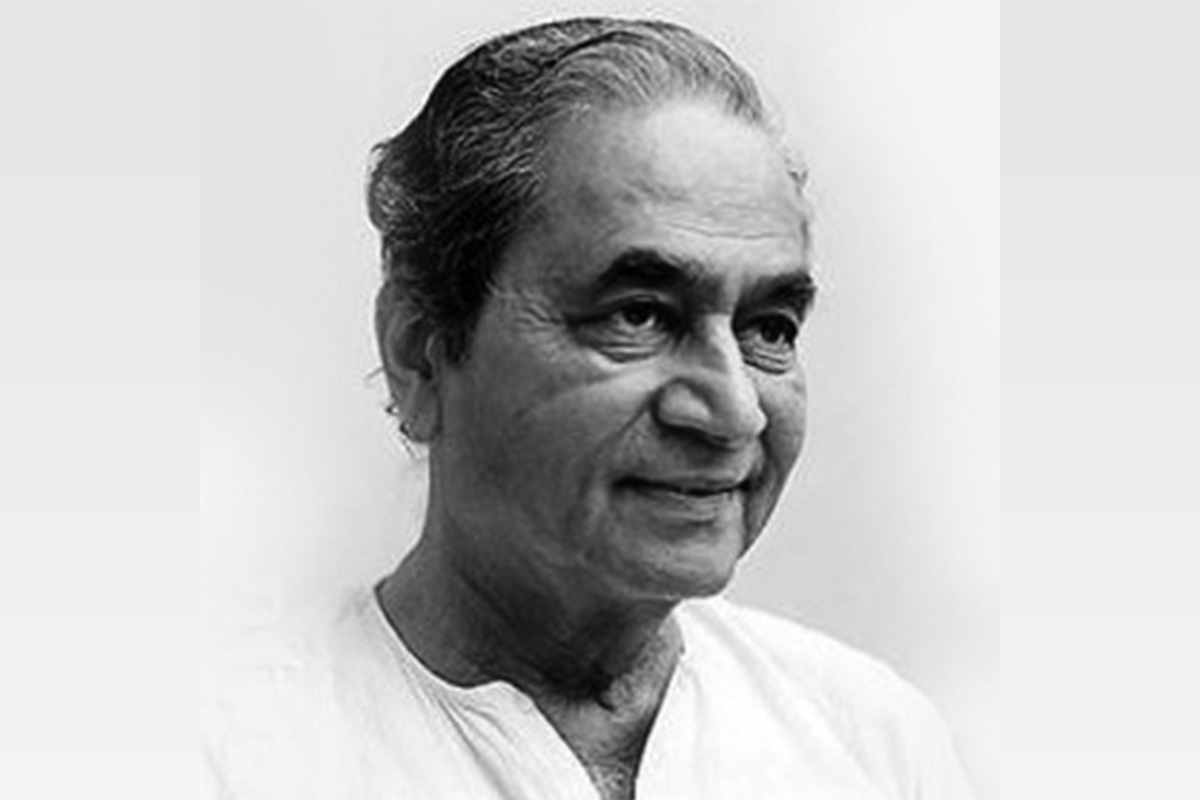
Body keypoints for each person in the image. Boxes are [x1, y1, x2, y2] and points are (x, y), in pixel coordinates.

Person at [205, 17, 975, 800]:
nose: (735, 411)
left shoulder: (872, 744)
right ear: (420, 353)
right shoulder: (220, 754)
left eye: (770, 329)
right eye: (638, 315)